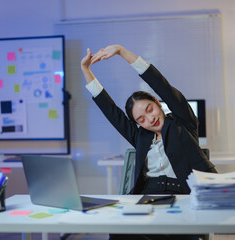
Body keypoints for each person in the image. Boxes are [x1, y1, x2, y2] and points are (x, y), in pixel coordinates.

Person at [81, 45, 217, 240]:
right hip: (147, 196)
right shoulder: (141, 137)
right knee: (120, 233)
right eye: (140, 119)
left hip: (182, 195)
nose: (150, 119)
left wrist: (121, 51)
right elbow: (110, 111)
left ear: (157, 101)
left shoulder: (183, 123)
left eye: (149, 109)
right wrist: (86, 70)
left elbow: (162, 86)